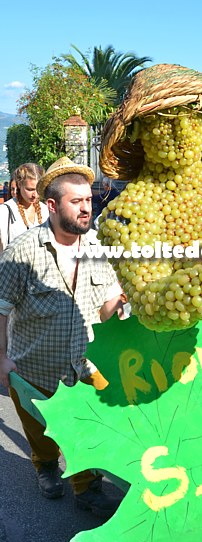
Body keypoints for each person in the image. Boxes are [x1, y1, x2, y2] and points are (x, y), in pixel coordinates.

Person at [0, 157, 125, 517]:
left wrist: (122, 300)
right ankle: (46, 466)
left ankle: (87, 486)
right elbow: (1, 308)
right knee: (42, 432)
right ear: (52, 206)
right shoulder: (22, 251)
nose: (86, 209)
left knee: (90, 428)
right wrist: (2, 358)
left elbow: (104, 307)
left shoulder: (98, 247)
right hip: (33, 368)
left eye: (88, 200)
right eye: (77, 202)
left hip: (85, 364)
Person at [0, 163, 49, 253]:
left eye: (38, 190)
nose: (35, 195)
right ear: (19, 184)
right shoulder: (4, 212)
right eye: (30, 189)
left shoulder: (45, 210)